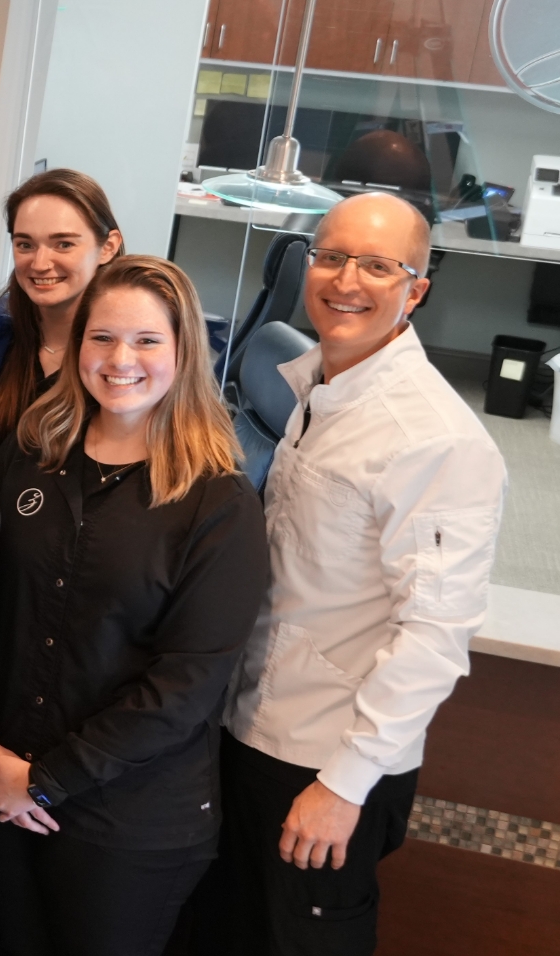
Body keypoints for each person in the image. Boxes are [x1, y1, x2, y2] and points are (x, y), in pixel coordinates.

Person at [205, 192, 507, 956]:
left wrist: (343, 785)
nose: (345, 280)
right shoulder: (316, 385)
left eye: (377, 265)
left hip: (326, 763)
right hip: (252, 731)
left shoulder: (436, 439)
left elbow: (434, 637)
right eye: (332, 257)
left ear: (417, 289)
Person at [0, 255, 267, 956]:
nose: (121, 360)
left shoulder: (218, 501)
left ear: (184, 353)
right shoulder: (31, 452)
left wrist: (44, 781)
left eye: (147, 341)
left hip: (125, 823)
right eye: (102, 337)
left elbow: (187, 683)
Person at [0, 169, 124, 477]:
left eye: (64, 244)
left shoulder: (126, 356)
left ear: (108, 247)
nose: (40, 263)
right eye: (25, 245)